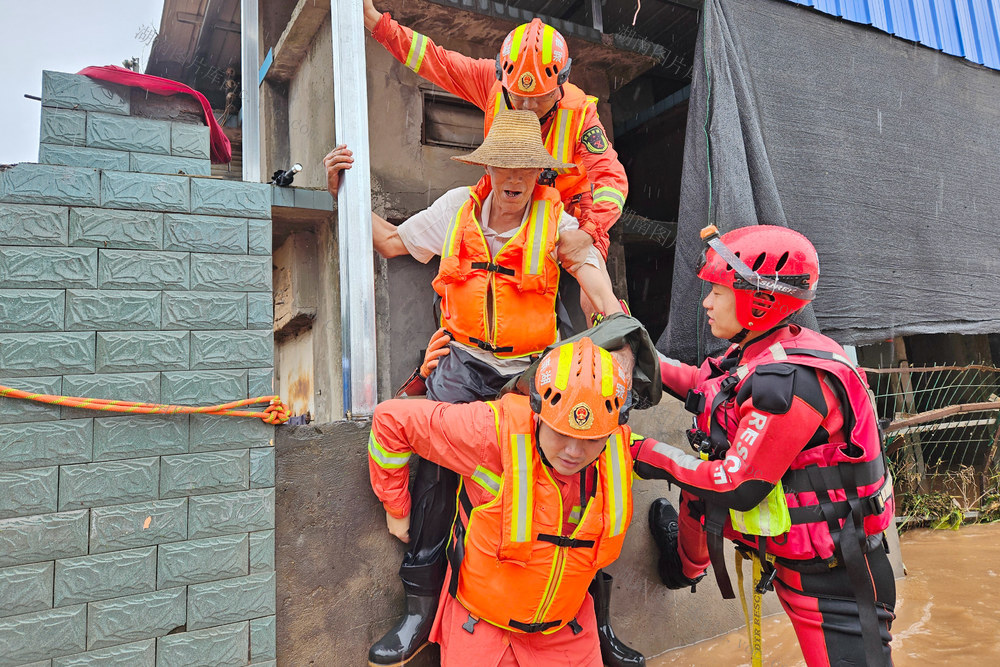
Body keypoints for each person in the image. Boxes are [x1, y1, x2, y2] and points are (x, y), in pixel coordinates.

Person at [327, 109, 641, 666]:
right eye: (505, 164)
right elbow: (391, 243)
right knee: (437, 472)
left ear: (540, 171)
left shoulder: (557, 220)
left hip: (530, 372)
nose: (515, 176)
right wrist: (342, 193)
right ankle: (420, 610)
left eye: (527, 165)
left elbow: (592, 275)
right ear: (488, 166)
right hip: (464, 363)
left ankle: (596, 619)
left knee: (577, 481)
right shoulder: (455, 210)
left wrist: (618, 331)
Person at [630, 224, 896, 667]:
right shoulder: (763, 349)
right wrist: (644, 356)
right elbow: (706, 384)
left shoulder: (789, 385)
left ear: (761, 300)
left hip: (832, 583)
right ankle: (684, 567)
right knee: (698, 491)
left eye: (717, 290)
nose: (706, 302)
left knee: (705, 480)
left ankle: (685, 564)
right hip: (794, 551)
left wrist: (643, 452)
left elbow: (738, 484)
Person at [368, 336, 635, 667]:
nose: (573, 452)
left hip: (568, 634)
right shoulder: (488, 431)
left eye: (590, 439)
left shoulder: (619, 448)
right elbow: (391, 420)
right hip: (481, 630)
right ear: (537, 411)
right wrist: (396, 507)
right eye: (560, 433)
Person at [362, 0, 629, 316]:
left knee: (595, 296)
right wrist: (376, 22)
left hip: (571, 210)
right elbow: (433, 59)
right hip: (511, 203)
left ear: (562, 82)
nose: (528, 109)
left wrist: (588, 233)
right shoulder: (491, 83)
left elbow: (611, 179)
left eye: (539, 100)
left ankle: (616, 357)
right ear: (503, 77)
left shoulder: (580, 113)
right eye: (519, 98)